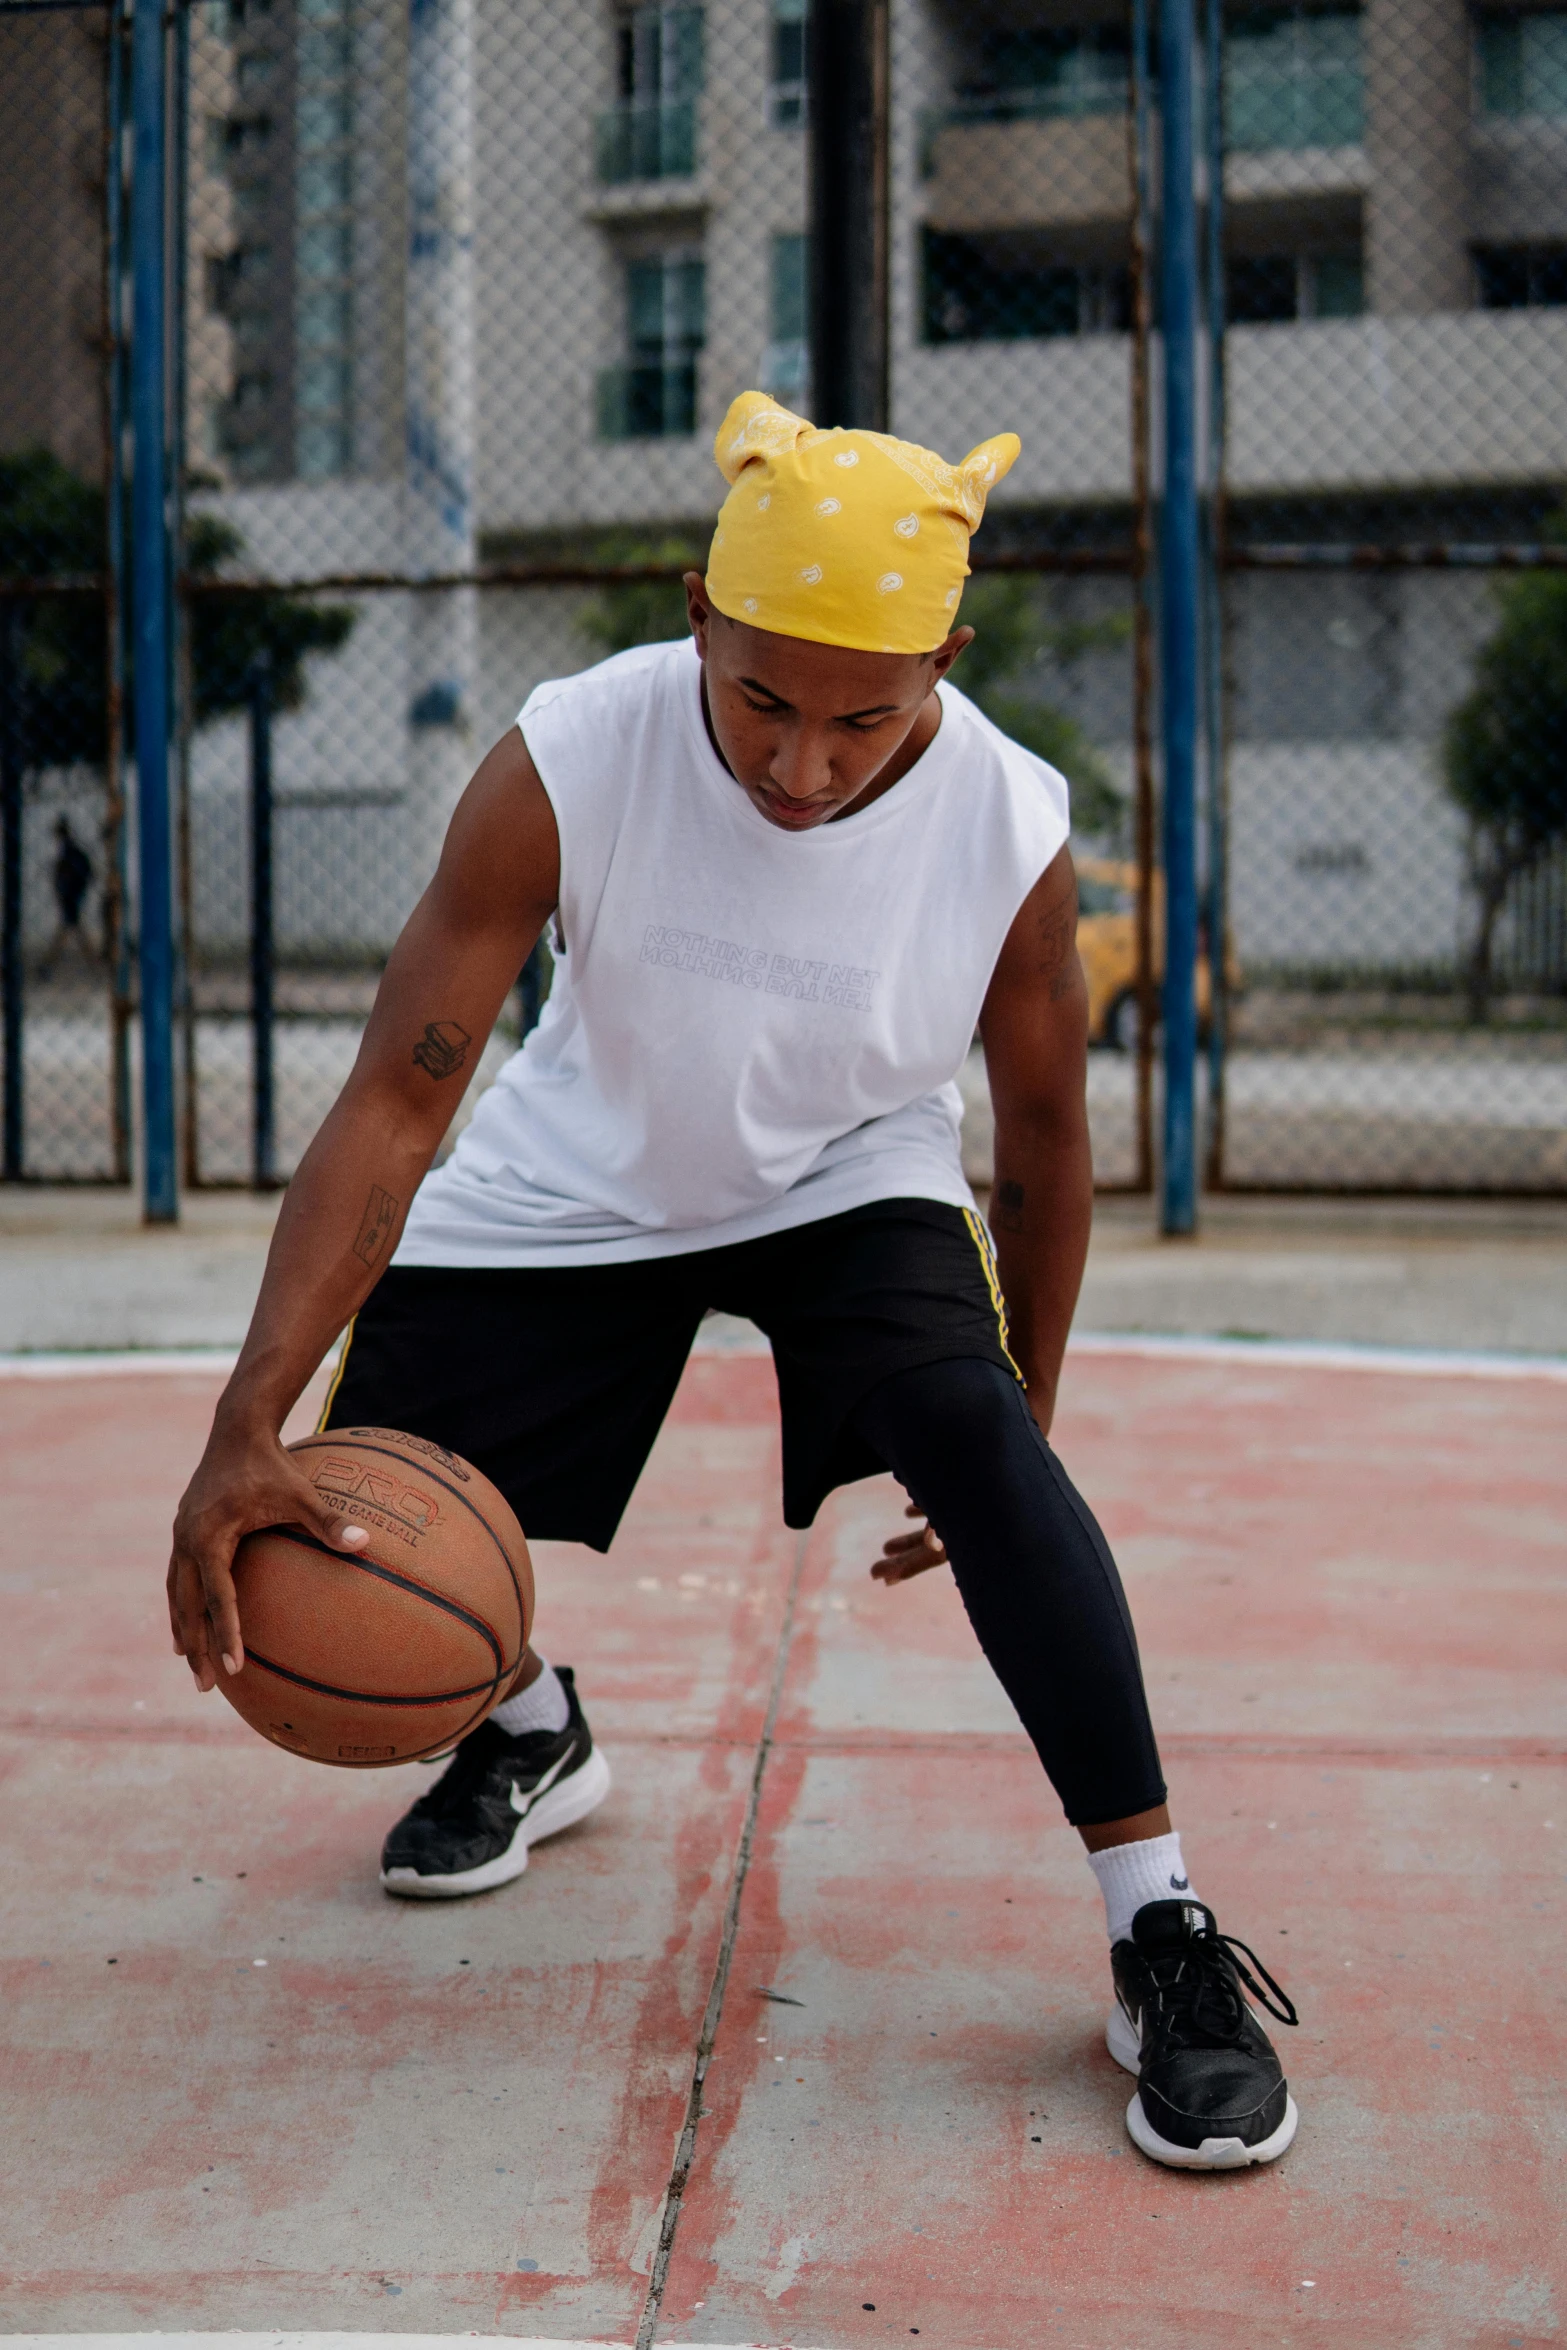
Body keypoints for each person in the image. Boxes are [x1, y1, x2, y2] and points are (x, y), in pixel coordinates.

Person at [169, 392, 1298, 2173]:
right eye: (761, 698)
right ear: (697, 612)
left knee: (980, 1441)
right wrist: (245, 1414)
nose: (801, 764)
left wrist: (1025, 1424)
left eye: (866, 714)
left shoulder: (1004, 821)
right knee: (367, 1495)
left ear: (946, 656)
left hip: (850, 1174)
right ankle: (530, 1719)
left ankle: (1159, 1931)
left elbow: (1044, 1148)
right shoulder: (573, 753)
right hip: (586, 1166)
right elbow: (404, 1084)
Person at [44, 815, 95, 973]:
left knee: (69, 928)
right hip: (72, 894)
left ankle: (49, 963)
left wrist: (67, 888)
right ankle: (92, 960)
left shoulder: (69, 850)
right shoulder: (70, 849)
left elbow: (70, 873)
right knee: (72, 928)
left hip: (71, 894)